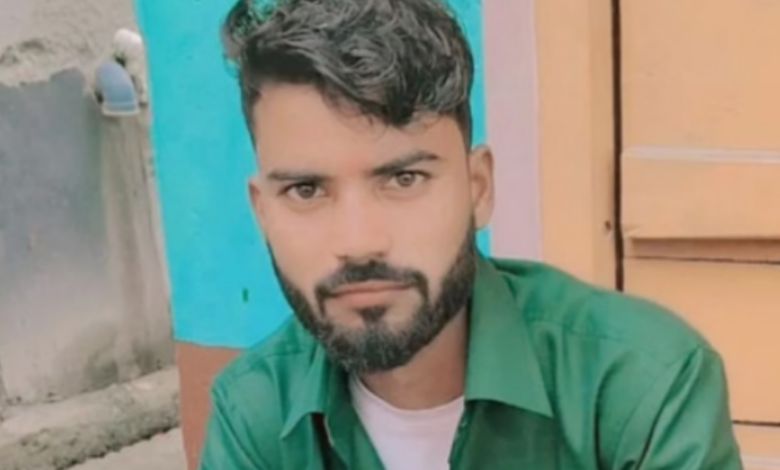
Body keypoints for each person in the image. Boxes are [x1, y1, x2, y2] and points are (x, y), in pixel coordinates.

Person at [199, 0, 743, 468]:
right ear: (262, 211)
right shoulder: (254, 415)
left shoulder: (641, 385)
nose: (359, 242)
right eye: (306, 190)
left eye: (404, 179)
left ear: (477, 188)